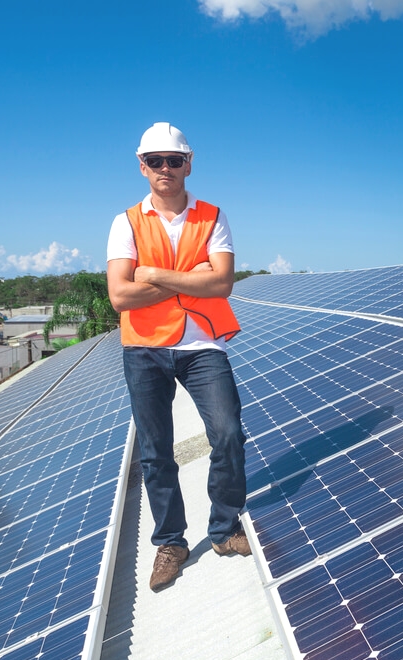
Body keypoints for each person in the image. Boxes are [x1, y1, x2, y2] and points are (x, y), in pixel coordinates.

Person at [107, 122, 250, 592]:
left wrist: (152, 273)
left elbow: (222, 283)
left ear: (189, 163)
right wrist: (189, 274)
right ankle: (171, 542)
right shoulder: (125, 222)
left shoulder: (212, 216)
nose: (165, 168)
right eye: (155, 161)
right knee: (155, 452)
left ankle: (225, 529)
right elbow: (120, 298)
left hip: (202, 343)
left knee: (227, 432)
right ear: (141, 166)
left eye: (174, 160)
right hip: (144, 348)